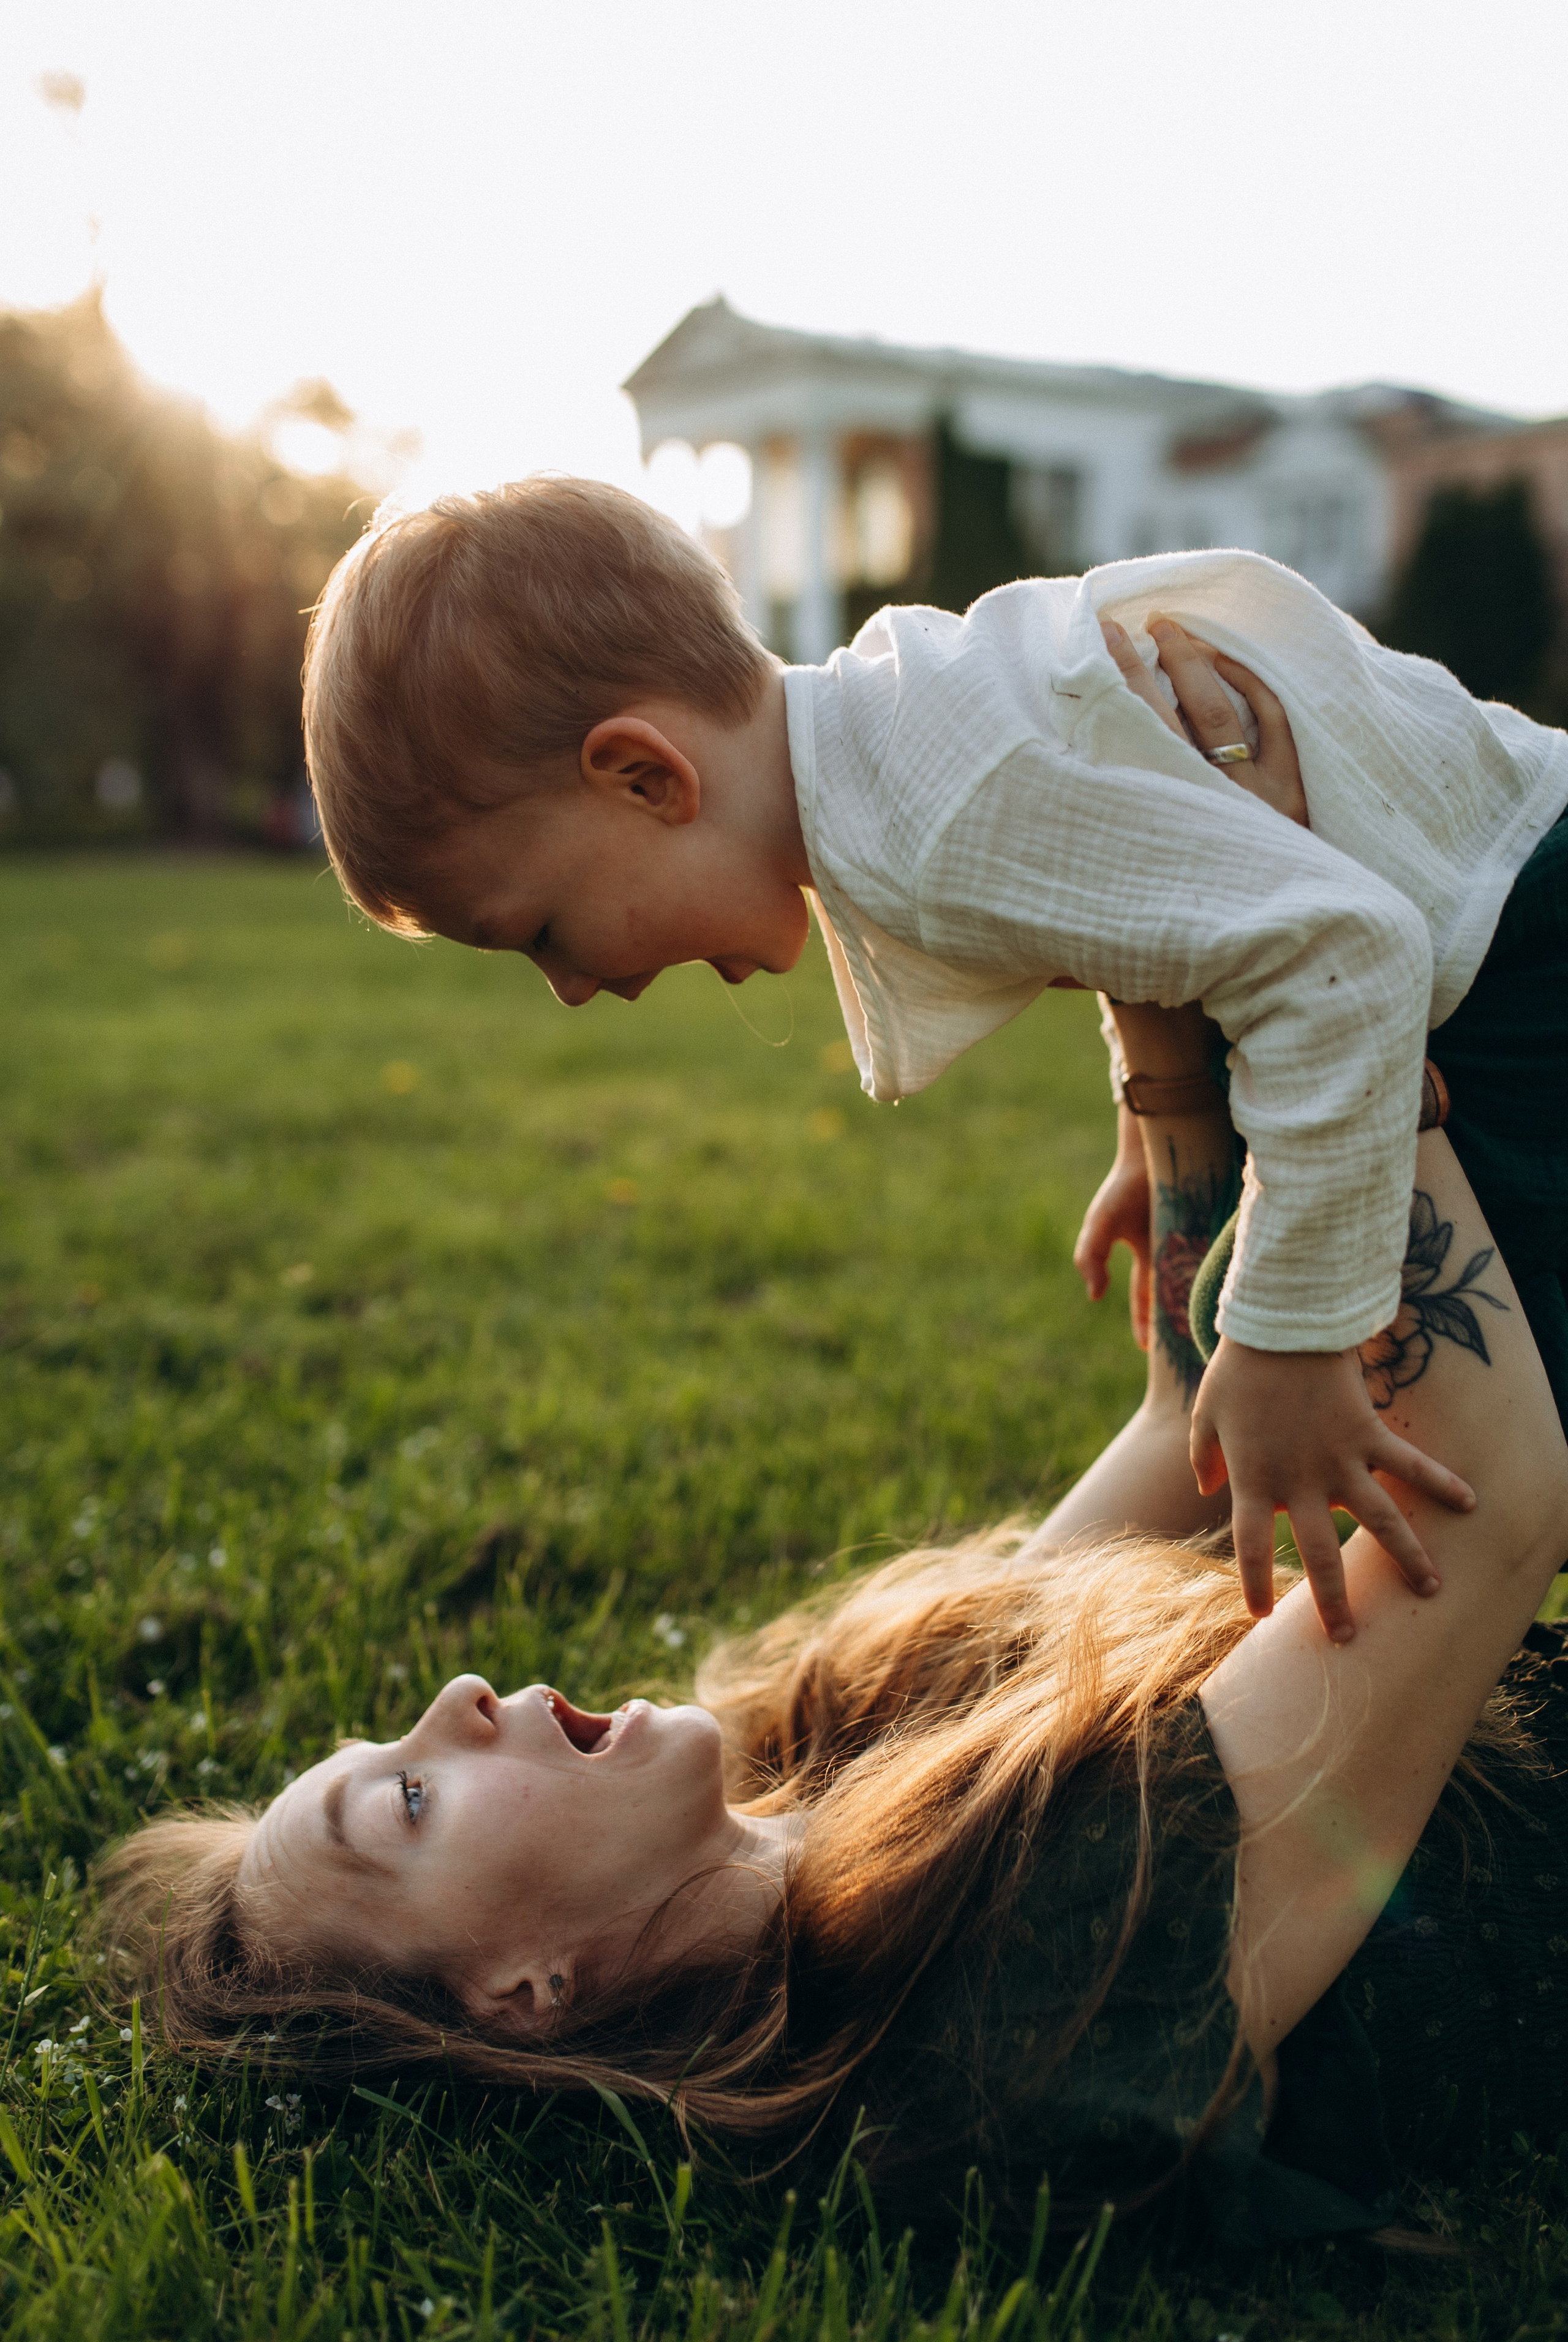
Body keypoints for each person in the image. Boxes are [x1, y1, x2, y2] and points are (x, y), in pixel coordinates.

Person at [100, 1016, 1568, 2248]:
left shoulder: (859, 1755)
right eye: (407, 1799)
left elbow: (1187, 1420)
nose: (460, 1694)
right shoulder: (993, 2016)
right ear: (522, 1991)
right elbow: (1486, 1505)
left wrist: (1165, 1036)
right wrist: (1333, 1014)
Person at [300, 479, 1568, 1640]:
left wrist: (1291, 1341)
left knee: (1483, 1392)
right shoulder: (893, 729)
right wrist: (1155, 1129)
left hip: (1523, 952)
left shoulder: (931, 816)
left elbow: (1343, 951)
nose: (572, 988)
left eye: (542, 933)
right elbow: (1155, 899)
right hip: (1492, 923)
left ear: (644, 777)